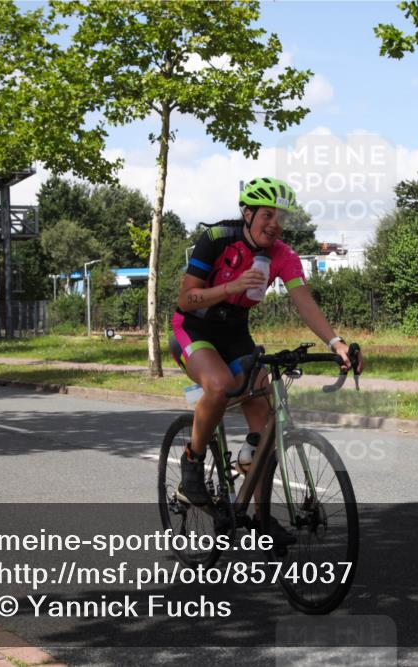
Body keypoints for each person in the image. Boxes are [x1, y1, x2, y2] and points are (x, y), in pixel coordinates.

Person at [168, 177, 363, 545]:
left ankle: (259, 517)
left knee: (266, 412)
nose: (274, 224)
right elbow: (185, 299)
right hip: (193, 329)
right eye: (267, 215)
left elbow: (304, 302)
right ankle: (192, 462)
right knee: (220, 385)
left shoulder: (283, 256)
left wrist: (335, 342)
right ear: (248, 213)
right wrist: (231, 286)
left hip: (236, 335)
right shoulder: (218, 239)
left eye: (281, 217)